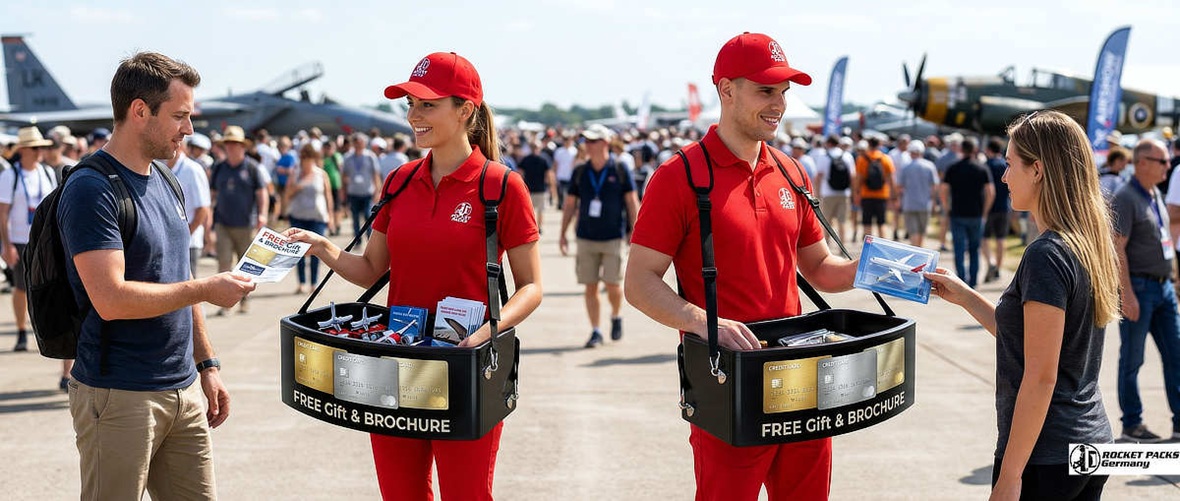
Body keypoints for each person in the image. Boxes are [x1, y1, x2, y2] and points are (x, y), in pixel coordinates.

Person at [285, 51, 542, 500]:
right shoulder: (399, 181)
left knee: (467, 494)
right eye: (410, 104)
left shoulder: (501, 186)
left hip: (464, 364)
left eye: (426, 105)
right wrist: (322, 246)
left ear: (465, 110)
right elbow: (370, 271)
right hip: (395, 362)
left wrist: (488, 330)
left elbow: (532, 287)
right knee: (400, 494)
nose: (412, 116)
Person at [625, 32, 858, 501]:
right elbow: (638, 282)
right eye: (766, 91)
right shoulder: (680, 177)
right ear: (726, 90)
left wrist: (880, 267)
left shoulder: (792, 170)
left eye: (784, 93)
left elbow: (822, 270)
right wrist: (702, 322)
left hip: (799, 372)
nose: (779, 105)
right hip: (727, 378)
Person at [58, 51, 255, 500]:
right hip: (119, 393)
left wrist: (207, 366)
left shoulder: (166, 179)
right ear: (139, 111)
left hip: (181, 387)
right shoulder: (93, 189)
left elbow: (178, 276)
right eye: (180, 116)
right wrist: (207, 287)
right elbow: (111, 298)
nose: (189, 129)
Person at [925, 110, 1117, 500]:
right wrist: (964, 296)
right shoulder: (1086, 243)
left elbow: (1041, 375)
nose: (1004, 176)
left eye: (1011, 164)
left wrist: (1010, 475)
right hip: (1089, 443)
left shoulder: (1046, 255)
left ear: (1039, 170)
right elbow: (1032, 339)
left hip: (1048, 455)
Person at [1111, 138, 1180, 443]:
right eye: (1161, 161)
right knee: (1132, 360)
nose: (1168, 166)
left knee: (1175, 355)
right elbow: (1116, 247)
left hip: (1163, 289)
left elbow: (1165, 240)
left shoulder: (1154, 194)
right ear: (1141, 163)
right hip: (1139, 287)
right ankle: (1132, 425)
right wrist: (1126, 293)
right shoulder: (1126, 197)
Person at [559, 124, 639, 348]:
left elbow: (632, 201)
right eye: (586, 141)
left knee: (613, 285)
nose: (587, 145)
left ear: (605, 143)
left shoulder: (620, 169)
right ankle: (595, 330)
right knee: (590, 285)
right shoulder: (580, 171)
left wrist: (637, 231)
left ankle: (615, 315)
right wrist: (563, 233)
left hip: (613, 236)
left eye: (593, 141)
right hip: (586, 236)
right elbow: (570, 204)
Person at [0, 127, 67, 385]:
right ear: (25, 151)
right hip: (19, 239)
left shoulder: (47, 172)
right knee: (20, 288)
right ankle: (20, 330)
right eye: (37, 148)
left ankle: (42, 329)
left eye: (43, 148)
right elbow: (3, 213)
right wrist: (7, 246)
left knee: (48, 287)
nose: (42, 152)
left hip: (42, 240)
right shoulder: (10, 176)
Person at [209, 125, 269, 315]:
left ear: (242, 146)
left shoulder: (251, 167)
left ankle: (243, 300)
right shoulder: (219, 167)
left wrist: (262, 214)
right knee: (224, 264)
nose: (232, 147)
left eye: (235, 144)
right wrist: (209, 219)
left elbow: (262, 192)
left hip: (245, 224)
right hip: (222, 223)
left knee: (245, 267)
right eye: (228, 144)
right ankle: (226, 304)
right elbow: (212, 194)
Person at [941, 137, 994, 289]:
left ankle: (961, 280)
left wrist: (946, 208)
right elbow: (991, 192)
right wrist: (985, 212)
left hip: (957, 213)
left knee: (958, 248)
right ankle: (973, 281)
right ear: (975, 150)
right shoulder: (981, 168)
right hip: (976, 214)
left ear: (961, 150)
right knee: (974, 249)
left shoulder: (953, 167)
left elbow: (943, 190)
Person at [282, 142, 334, 294]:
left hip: (317, 217)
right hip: (298, 216)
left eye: (310, 158)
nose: (306, 161)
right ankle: (301, 283)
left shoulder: (321, 174)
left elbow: (328, 195)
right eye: (304, 158)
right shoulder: (295, 173)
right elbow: (287, 194)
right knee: (297, 251)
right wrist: (300, 185)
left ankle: (314, 282)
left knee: (316, 251)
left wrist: (330, 216)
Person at [165, 138, 212, 277]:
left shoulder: (193, 170)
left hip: (189, 242)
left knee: (188, 289)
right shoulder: (160, 166)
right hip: (167, 240)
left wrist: (184, 235)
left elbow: (203, 208)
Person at [341, 132, 382, 243]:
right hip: (353, 192)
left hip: (367, 193)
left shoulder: (370, 156)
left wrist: (377, 192)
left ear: (364, 143)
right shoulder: (347, 157)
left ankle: (370, 240)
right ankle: (357, 240)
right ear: (353, 144)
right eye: (356, 142)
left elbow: (376, 175)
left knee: (368, 217)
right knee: (355, 218)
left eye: (360, 142)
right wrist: (343, 192)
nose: (358, 145)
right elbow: (343, 175)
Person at [852, 135, 896, 239]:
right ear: (879, 145)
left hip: (866, 195)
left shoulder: (862, 159)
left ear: (869, 145)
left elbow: (858, 179)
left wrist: (856, 194)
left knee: (867, 223)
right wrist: (894, 194)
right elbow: (891, 179)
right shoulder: (886, 159)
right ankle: (882, 247)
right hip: (882, 195)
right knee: (881, 223)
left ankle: (868, 248)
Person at [896, 140, 938, 248]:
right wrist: (934, 202)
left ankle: (915, 249)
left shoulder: (906, 167)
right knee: (922, 230)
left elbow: (900, 187)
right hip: (925, 204)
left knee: (913, 230)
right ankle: (920, 250)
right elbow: (934, 186)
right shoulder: (930, 166)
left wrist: (898, 201)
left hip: (909, 204)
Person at [814, 135, 854, 245]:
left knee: (827, 221)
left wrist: (816, 193)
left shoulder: (824, 156)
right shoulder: (847, 156)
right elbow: (852, 176)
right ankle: (842, 245)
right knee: (842, 221)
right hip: (844, 192)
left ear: (828, 143)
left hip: (827, 193)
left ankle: (827, 245)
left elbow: (818, 176)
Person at [982, 138, 1011, 283]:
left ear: (988, 150)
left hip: (989, 207)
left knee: (984, 238)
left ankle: (991, 262)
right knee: (1001, 239)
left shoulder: (987, 165)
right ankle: (998, 268)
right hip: (1004, 206)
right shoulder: (1006, 165)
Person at [517, 140, 556, 228]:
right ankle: (537, 227)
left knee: (535, 210)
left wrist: (551, 187)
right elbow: (549, 174)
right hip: (533, 189)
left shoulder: (527, 159)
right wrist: (551, 187)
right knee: (537, 210)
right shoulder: (543, 159)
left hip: (535, 189)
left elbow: (520, 173)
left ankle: (536, 227)